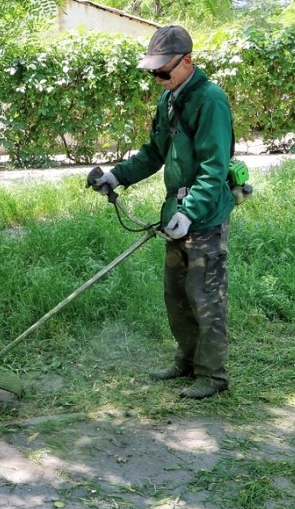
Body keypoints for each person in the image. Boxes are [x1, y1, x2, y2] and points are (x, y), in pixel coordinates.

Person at [91, 25, 236, 399]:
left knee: (205, 297)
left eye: (163, 71)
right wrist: (117, 175)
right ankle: (186, 361)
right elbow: (154, 153)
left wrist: (190, 212)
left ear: (187, 61)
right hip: (176, 213)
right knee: (177, 296)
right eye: (153, 72)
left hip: (204, 217)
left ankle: (213, 376)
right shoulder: (169, 99)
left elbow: (214, 168)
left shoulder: (210, 100)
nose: (157, 78)